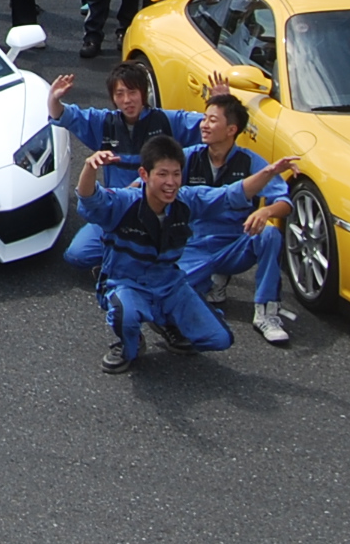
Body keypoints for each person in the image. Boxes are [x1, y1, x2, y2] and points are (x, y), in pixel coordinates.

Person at [72, 129, 299, 373]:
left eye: (176, 174)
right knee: (125, 315)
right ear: (144, 174)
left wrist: (269, 172)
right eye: (162, 174)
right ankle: (131, 343)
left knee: (220, 339)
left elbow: (232, 193)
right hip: (128, 284)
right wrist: (89, 168)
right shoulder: (125, 201)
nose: (171, 182)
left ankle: (168, 322)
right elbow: (90, 199)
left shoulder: (187, 199)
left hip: (169, 284)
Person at [47, 66, 208, 280]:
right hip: (119, 209)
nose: (127, 100)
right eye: (120, 94)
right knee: (77, 255)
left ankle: (132, 266)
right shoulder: (105, 122)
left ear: (144, 92)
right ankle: (125, 263)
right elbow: (65, 115)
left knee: (187, 258)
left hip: (160, 209)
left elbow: (209, 125)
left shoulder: (167, 121)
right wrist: (54, 98)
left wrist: (219, 103)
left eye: (132, 92)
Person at [178, 94, 295, 346]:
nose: (204, 125)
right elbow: (151, 182)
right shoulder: (188, 157)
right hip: (194, 246)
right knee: (171, 292)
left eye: (212, 120)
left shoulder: (250, 161)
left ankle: (266, 312)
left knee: (269, 234)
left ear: (231, 129)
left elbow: (285, 203)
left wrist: (266, 211)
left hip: (235, 244)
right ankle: (212, 282)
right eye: (204, 118)